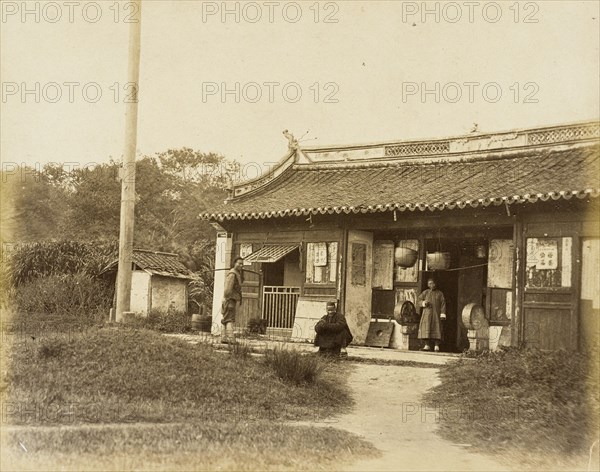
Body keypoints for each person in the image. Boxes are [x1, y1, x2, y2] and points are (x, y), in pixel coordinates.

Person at [417, 278, 447, 352]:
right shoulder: (425, 292)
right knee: (426, 328)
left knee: (437, 328)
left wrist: (442, 313)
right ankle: (427, 345)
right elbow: (419, 300)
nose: (432, 285)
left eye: (433, 283)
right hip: (427, 314)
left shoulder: (440, 293)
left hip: (436, 314)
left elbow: (443, 304)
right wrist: (424, 303)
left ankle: (436, 345)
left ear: (435, 284)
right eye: (430, 283)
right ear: (428, 284)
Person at [221, 257, 244, 343]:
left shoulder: (237, 274)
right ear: (234, 263)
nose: (240, 265)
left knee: (226, 318)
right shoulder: (232, 274)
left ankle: (223, 338)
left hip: (231, 299)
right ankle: (231, 339)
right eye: (239, 263)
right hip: (230, 299)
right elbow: (227, 289)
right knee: (229, 319)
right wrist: (226, 298)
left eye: (242, 264)